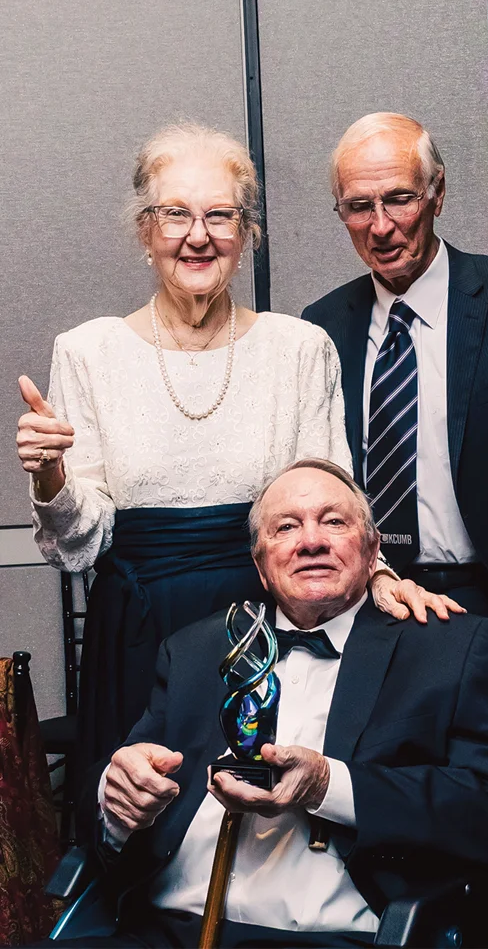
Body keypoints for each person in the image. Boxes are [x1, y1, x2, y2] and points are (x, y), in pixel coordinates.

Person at [15, 124, 459, 774]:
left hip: (275, 625)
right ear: (145, 231)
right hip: (141, 633)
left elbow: (333, 499)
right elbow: (80, 545)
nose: (199, 235)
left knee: (269, 818)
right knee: (151, 831)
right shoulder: (87, 351)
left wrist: (380, 576)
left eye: (220, 215)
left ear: (246, 234)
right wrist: (50, 474)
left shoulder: (299, 347)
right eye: (176, 215)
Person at [54, 459, 488, 948]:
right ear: (262, 567)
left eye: (334, 522)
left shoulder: (451, 648)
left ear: (373, 553)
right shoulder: (196, 650)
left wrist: (330, 786)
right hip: (165, 931)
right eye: (287, 527)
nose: (311, 541)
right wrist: (117, 801)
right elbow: (125, 783)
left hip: (331, 937)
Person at [303, 112, 488, 648]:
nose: (380, 226)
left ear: (438, 193)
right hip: (370, 605)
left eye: (399, 199)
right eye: (358, 207)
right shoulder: (322, 326)